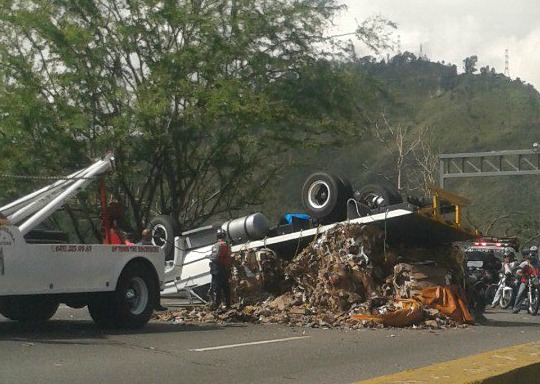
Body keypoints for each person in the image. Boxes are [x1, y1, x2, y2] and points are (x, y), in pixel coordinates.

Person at [208, 228, 232, 310]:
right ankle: (227, 304)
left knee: (216, 287)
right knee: (225, 287)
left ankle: (216, 305)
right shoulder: (228, 245)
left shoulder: (217, 245)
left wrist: (208, 256)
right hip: (225, 268)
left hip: (217, 269)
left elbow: (215, 257)